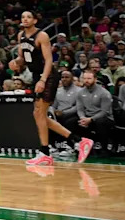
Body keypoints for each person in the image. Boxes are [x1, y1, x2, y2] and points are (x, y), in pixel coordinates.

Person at [12, 11, 93, 166]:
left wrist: (43, 80)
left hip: (48, 76)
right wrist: (16, 62)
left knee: (39, 113)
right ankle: (78, 141)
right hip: (36, 75)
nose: (25, 19)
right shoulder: (20, 35)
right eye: (23, 17)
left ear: (35, 20)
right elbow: (22, 58)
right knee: (39, 115)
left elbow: (49, 60)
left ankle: (45, 152)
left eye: (28, 17)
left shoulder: (42, 36)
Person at [75, 70, 114, 152]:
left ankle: (104, 148)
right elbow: (80, 109)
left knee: (100, 122)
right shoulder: (80, 92)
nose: (86, 81)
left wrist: (91, 119)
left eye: (89, 78)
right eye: (84, 78)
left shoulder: (104, 93)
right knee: (71, 121)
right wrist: (82, 118)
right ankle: (77, 146)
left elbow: (104, 112)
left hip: (105, 118)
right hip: (87, 117)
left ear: (95, 79)